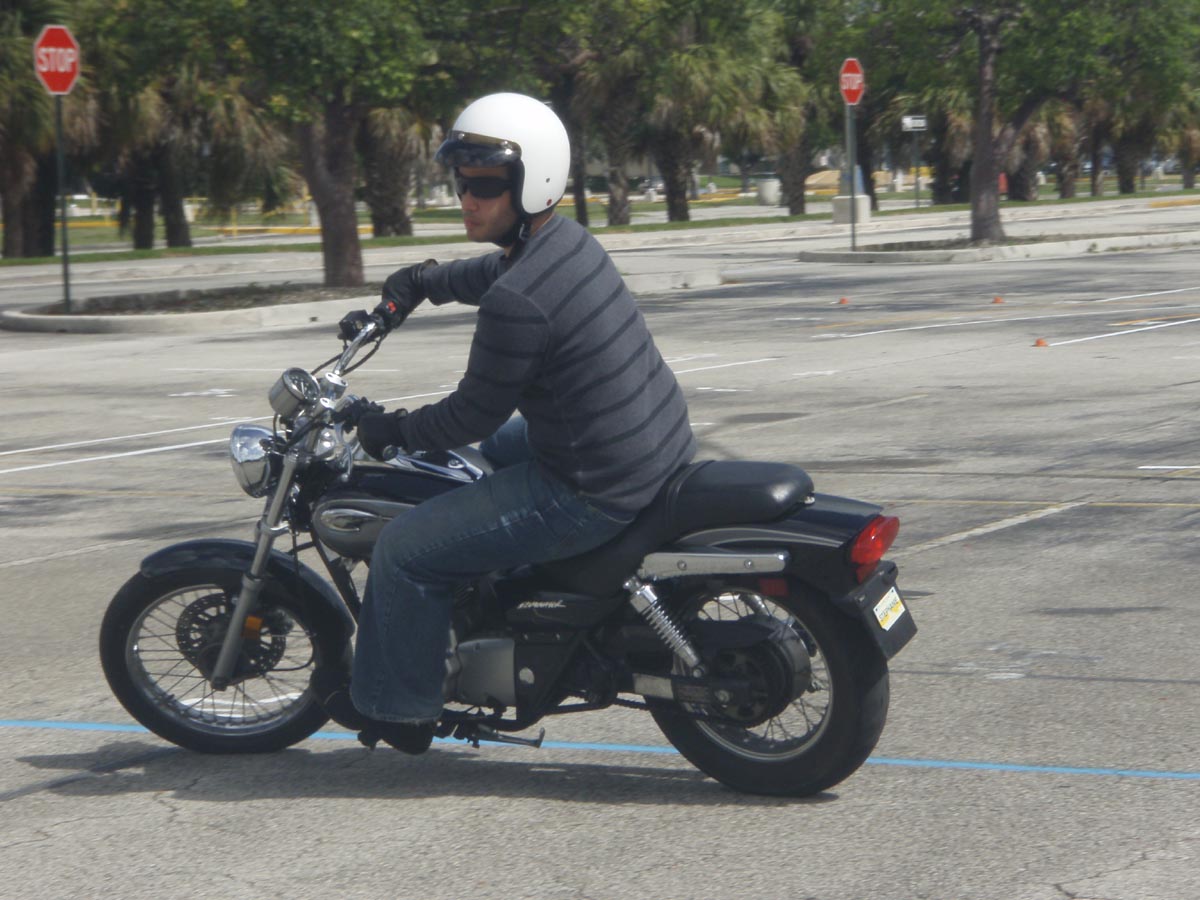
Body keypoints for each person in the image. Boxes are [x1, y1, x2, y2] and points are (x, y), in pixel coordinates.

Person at [313, 92, 696, 754]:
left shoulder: (518, 302)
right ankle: (492, 597)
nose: (467, 198)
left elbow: (468, 413)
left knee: (404, 549)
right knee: (491, 452)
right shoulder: (565, 242)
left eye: (486, 184)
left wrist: (388, 430)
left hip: (591, 487)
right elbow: (494, 269)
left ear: (531, 182)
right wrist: (424, 281)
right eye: (461, 181)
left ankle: (398, 708)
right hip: (648, 441)